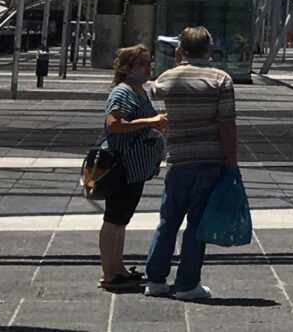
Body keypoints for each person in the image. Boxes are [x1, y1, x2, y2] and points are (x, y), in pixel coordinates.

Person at [144, 26, 238, 300]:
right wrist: (231, 162)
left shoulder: (166, 79)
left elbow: (156, 91)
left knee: (168, 221)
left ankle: (155, 280)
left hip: (178, 159)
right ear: (209, 48)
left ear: (180, 50)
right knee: (197, 224)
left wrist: (177, 65)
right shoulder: (221, 79)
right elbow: (226, 125)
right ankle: (187, 284)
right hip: (210, 160)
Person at [97, 45, 166, 292]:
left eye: (150, 63)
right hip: (123, 166)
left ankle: (118, 267)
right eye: (144, 64)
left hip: (137, 167)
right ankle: (108, 272)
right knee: (114, 218)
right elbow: (114, 125)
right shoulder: (124, 92)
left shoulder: (140, 91)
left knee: (122, 219)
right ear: (128, 68)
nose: (149, 68)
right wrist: (151, 121)